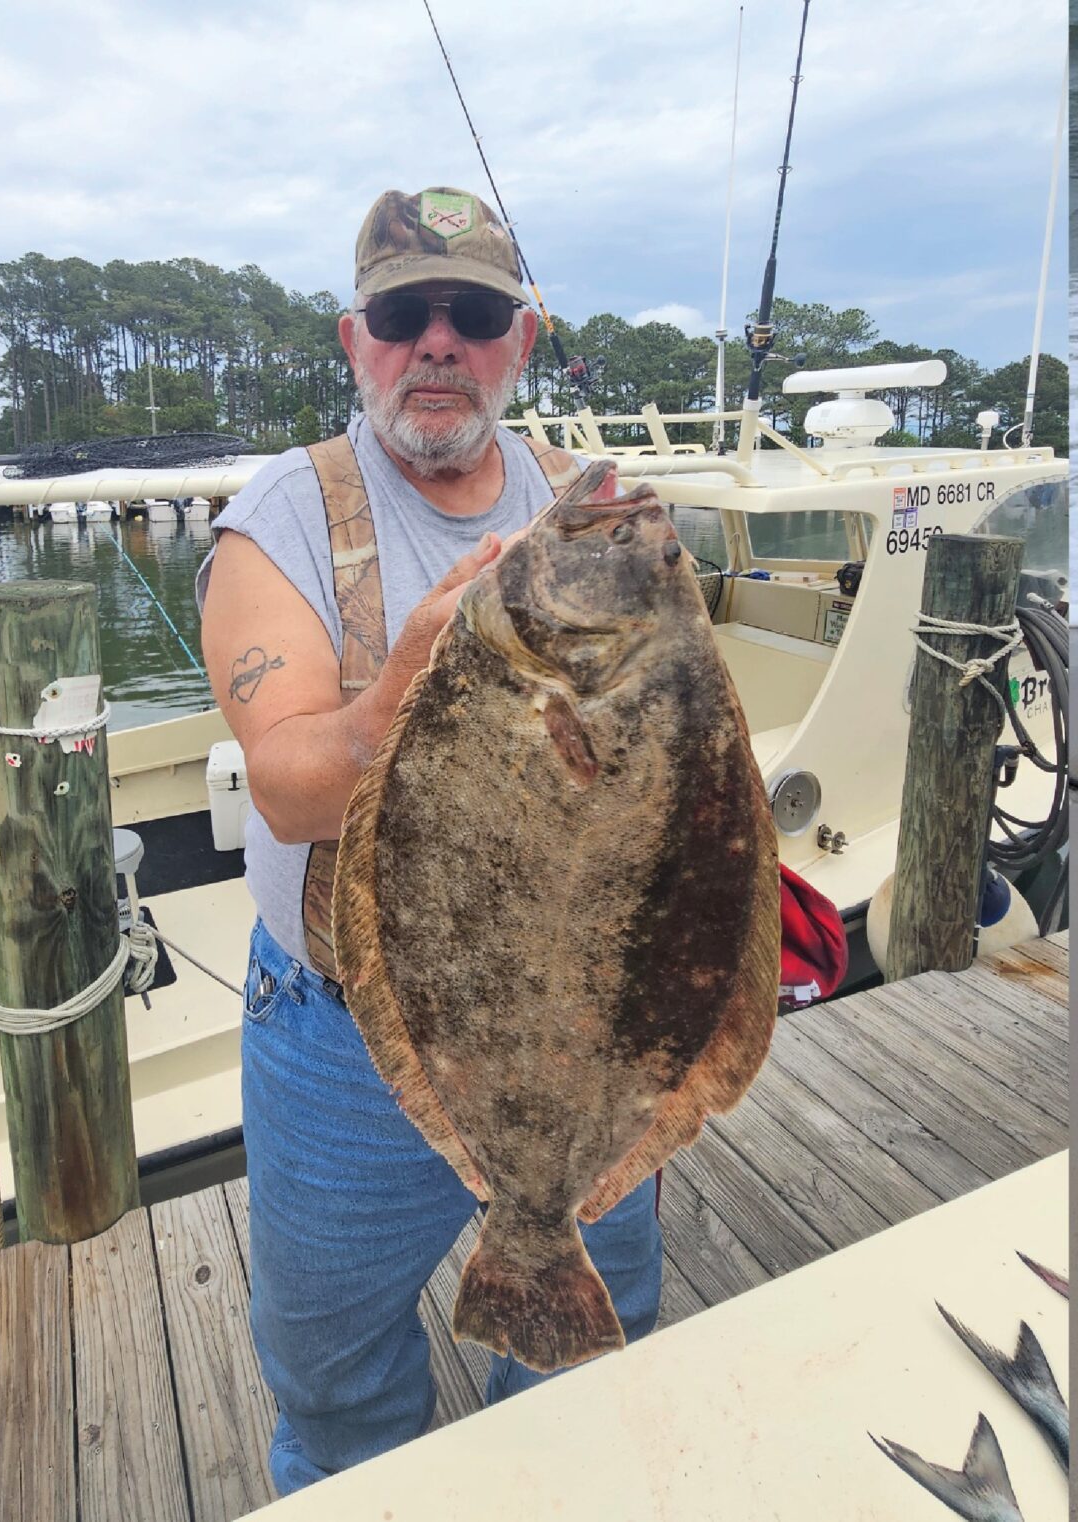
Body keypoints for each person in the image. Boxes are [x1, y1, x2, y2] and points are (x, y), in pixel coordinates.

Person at [194, 186, 660, 1493]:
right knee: (338, 1387)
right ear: (357, 341)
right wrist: (389, 705)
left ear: (522, 339)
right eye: (406, 312)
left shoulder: (597, 507)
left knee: (582, 1364)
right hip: (350, 1044)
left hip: (582, 1025)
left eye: (475, 313)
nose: (439, 342)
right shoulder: (281, 524)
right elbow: (285, 786)